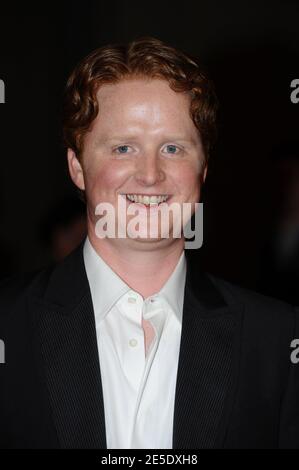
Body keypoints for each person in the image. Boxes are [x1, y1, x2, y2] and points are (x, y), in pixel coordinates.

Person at [0, 36, 298, 449]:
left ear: (203, 169)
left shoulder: (279, 341)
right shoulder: (8, 325)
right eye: (124, 148)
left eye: (173, 148)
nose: (150, 175)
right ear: (77, 168)